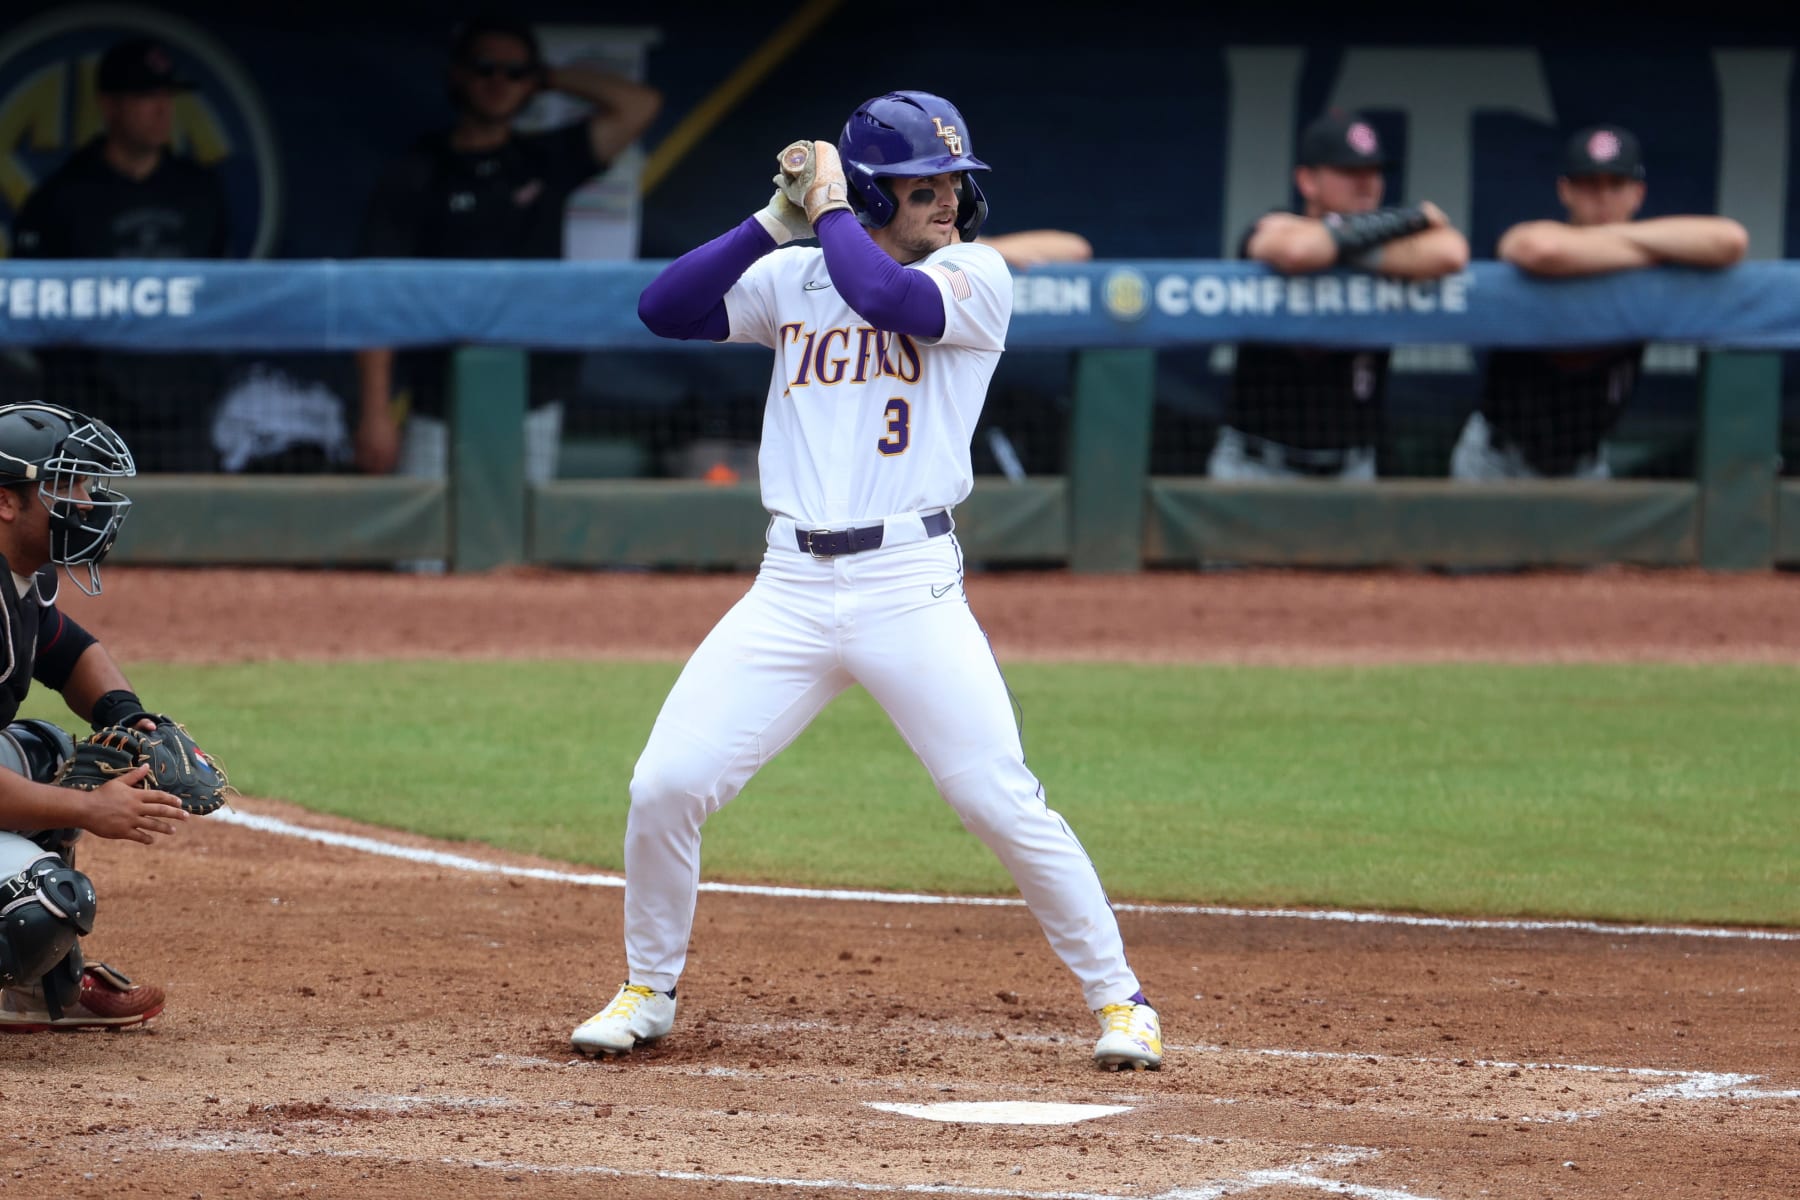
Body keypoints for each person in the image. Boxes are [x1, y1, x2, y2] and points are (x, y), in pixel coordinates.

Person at [570, 90, 1163, 1072]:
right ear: (879, 195)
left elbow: (888, 300)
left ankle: (1122, 999)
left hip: (907, 586)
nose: (948, 201)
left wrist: (835, 206)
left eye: (954, 184)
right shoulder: (796, 274)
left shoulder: (974, 274)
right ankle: (647, 988)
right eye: (923, 187)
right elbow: (662, 309)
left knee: (996, 799)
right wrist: (776, 220)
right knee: (664, 786)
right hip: (789, 589)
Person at [353, 13, 662, 485]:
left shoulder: (544, 159)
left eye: (515, 72)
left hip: (530, 394)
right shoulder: (418, 170)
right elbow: (376, 293)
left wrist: (549, 78)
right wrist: (376, 411)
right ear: (458, 73)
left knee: (519, 528)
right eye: (485, 68)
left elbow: (639, 106)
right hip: (438, 396)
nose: (499, 81)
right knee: (426, 532)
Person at [0, 402, 187, 1031]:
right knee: (40, 907)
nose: (85, 503)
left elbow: (68, 650)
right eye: (67, 487)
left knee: (53, 755)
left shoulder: (19, 578)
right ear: (5, 502)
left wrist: (128, 717)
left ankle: (36, 992)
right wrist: (90, 808)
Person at [1451, 125, 1749, 480]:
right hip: (1497, 460)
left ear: (1638, 194)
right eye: (1590, 185)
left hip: (1583, 464)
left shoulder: (1645, 256)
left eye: (1616, 185)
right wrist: (1651, 249)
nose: (1603, 198)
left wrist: (1619, 242)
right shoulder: (1547, 238)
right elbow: (1537, 249)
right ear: (1565, 190)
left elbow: (1731, 241)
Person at [9, 37, 231, 473]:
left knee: (189, 515)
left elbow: (220, 295)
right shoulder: (61, 197)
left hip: (182, 410)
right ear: (110, 106)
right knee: (91, 514)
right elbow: (33, 311)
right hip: (93, 412)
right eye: (146, 95)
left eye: (167, 95)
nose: (162, 109)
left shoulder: (201, 192)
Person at [1212, 110, 1469, 480]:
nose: (1367, 183)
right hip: (1258, 465)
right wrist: (1408, 220)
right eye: (1349, 171)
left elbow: (1452, 252)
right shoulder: (1276, 227)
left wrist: (1341, 245)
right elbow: (1297, 251)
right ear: (1307, 180)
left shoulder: (1382, 241)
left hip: (1352, 469)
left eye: (1374, 171)